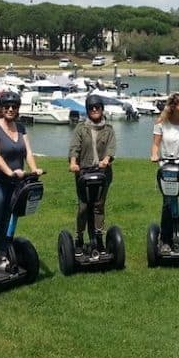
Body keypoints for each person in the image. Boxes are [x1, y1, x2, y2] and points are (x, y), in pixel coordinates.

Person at [0, 91, 43, 268]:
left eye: (14, 107)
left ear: (17, 109)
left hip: (15, 183)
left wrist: (33, 169)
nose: (10, 109)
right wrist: (9, 172)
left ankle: (2, 256)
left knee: (7, 220)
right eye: (6, 106)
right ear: (1, 108)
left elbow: (28, 152)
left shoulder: (21, 128)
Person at [149, 92, 179, 252]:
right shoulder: (161, 122)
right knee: (168, 204)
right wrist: (154, 155)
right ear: (173, 107)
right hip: (166, 167)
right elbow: (156, 144)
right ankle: (165, 241)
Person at [68, 95, 117, 254]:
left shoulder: (108, 129)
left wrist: (106, 160)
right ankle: (79, 238)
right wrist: (73, 163)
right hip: (84, 172)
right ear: (87, 110)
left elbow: (111, 148)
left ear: (102, 109)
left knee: (98, 206)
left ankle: (99, 239)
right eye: (91, 108)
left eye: (97, 107)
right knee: (83, 207)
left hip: (103, 173)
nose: (95, 110)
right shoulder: (81, 128)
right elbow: (74, 147)